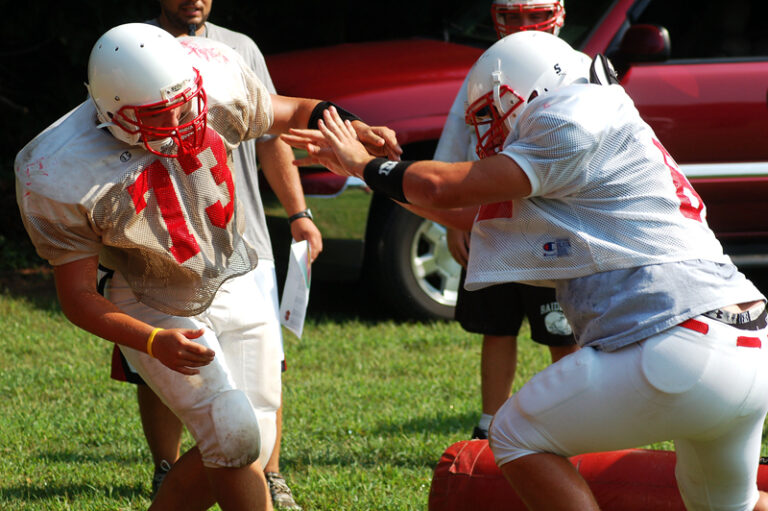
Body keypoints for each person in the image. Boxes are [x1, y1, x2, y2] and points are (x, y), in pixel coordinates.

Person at [284, 31, 768, 511]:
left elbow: (442, 186)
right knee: (730, 507)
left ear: (523, 91)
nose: (489, 132)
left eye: (490, 114)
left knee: (515, 435)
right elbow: (473, 213)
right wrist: (371, 175)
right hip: (745, 345)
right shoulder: (600, 118)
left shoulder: (571, 115)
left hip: (679, 341)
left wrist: (365, 163)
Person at [15, 23, 399, 511]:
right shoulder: (57, 170)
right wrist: (151, 340)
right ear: (114, 113)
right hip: (149, 294)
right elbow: (77, 296)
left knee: (251, 430)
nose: (183, 118)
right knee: (232, 432)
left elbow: (294, 111)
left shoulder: (213, 73)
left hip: (231, 269)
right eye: (160, 114)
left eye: (185, 101)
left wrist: (352, 126)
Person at [105, 2, 316, 508]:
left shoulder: (239, 48)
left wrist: (299, 212)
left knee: (262, 388)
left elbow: (272, 136)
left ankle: (269, 473)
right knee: (168, 369)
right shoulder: (127, 52)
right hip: (163, 253)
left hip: (243, 242)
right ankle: (166, 465)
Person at [434, 0, 575, 440]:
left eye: (534, 15)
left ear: (559, 14)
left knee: (561, 331)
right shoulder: (489, 67)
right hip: (494, 223)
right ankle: (491, 419)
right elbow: (457, 146)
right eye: (512, 16)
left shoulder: (574, 69)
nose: (523, 26)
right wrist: (454, 222)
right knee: (496, 326)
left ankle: (574, 415)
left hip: (551, 227)